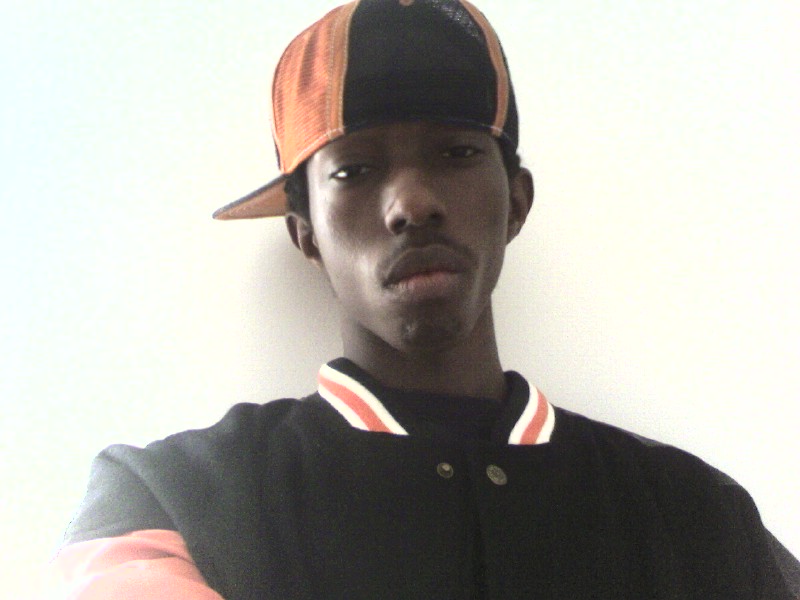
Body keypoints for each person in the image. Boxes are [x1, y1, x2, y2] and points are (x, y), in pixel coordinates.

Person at [47, 1, 799, 598]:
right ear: (306, 235)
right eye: (353, 170)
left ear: (516, 202)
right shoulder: (163, 499)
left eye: (457, 152)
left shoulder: (698, 515)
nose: (411, 203)